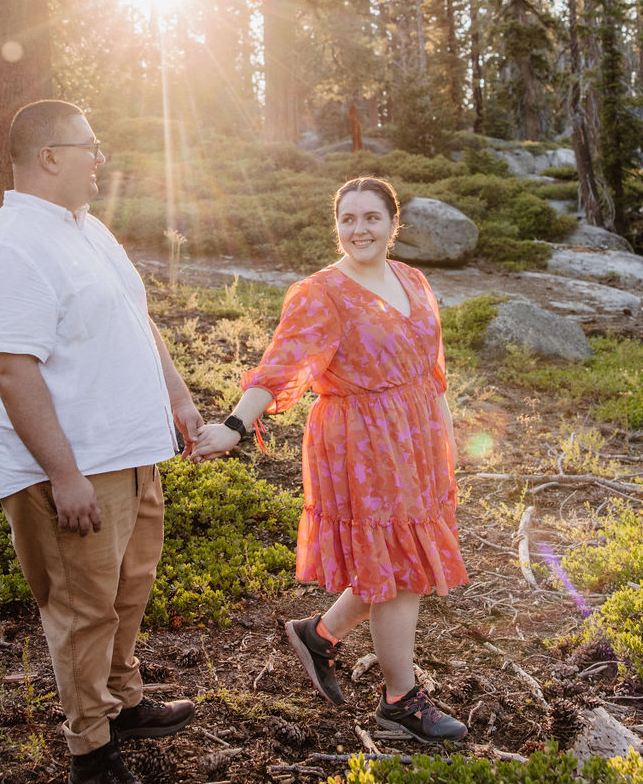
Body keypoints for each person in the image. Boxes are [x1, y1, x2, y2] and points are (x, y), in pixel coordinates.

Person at [0, 99, 203, 784]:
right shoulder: (11, 247)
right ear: (48, 156)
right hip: (76, 466)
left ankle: (122, 699)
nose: (100, 158)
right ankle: (92, 755)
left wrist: (180, 399)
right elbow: (11, 370)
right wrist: (64, 474)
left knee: (128, 590)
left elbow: (139, 319)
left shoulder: (85, 228)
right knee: (81, 609)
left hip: (133, 452)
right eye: (90, 146)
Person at [193, 176, 469, 745]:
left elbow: (431, 366)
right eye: (348, 219)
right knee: (399, 567)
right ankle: (401, 698)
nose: (359, 229)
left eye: (371, 217)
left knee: (396, 556)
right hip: (362, 441)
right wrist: (235, 425)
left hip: (417, 437)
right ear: (337, 226)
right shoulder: (322, 293)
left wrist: (444, 432)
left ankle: (318, 636)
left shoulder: (413, 280)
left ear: (394, 225)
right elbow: (279, 365)